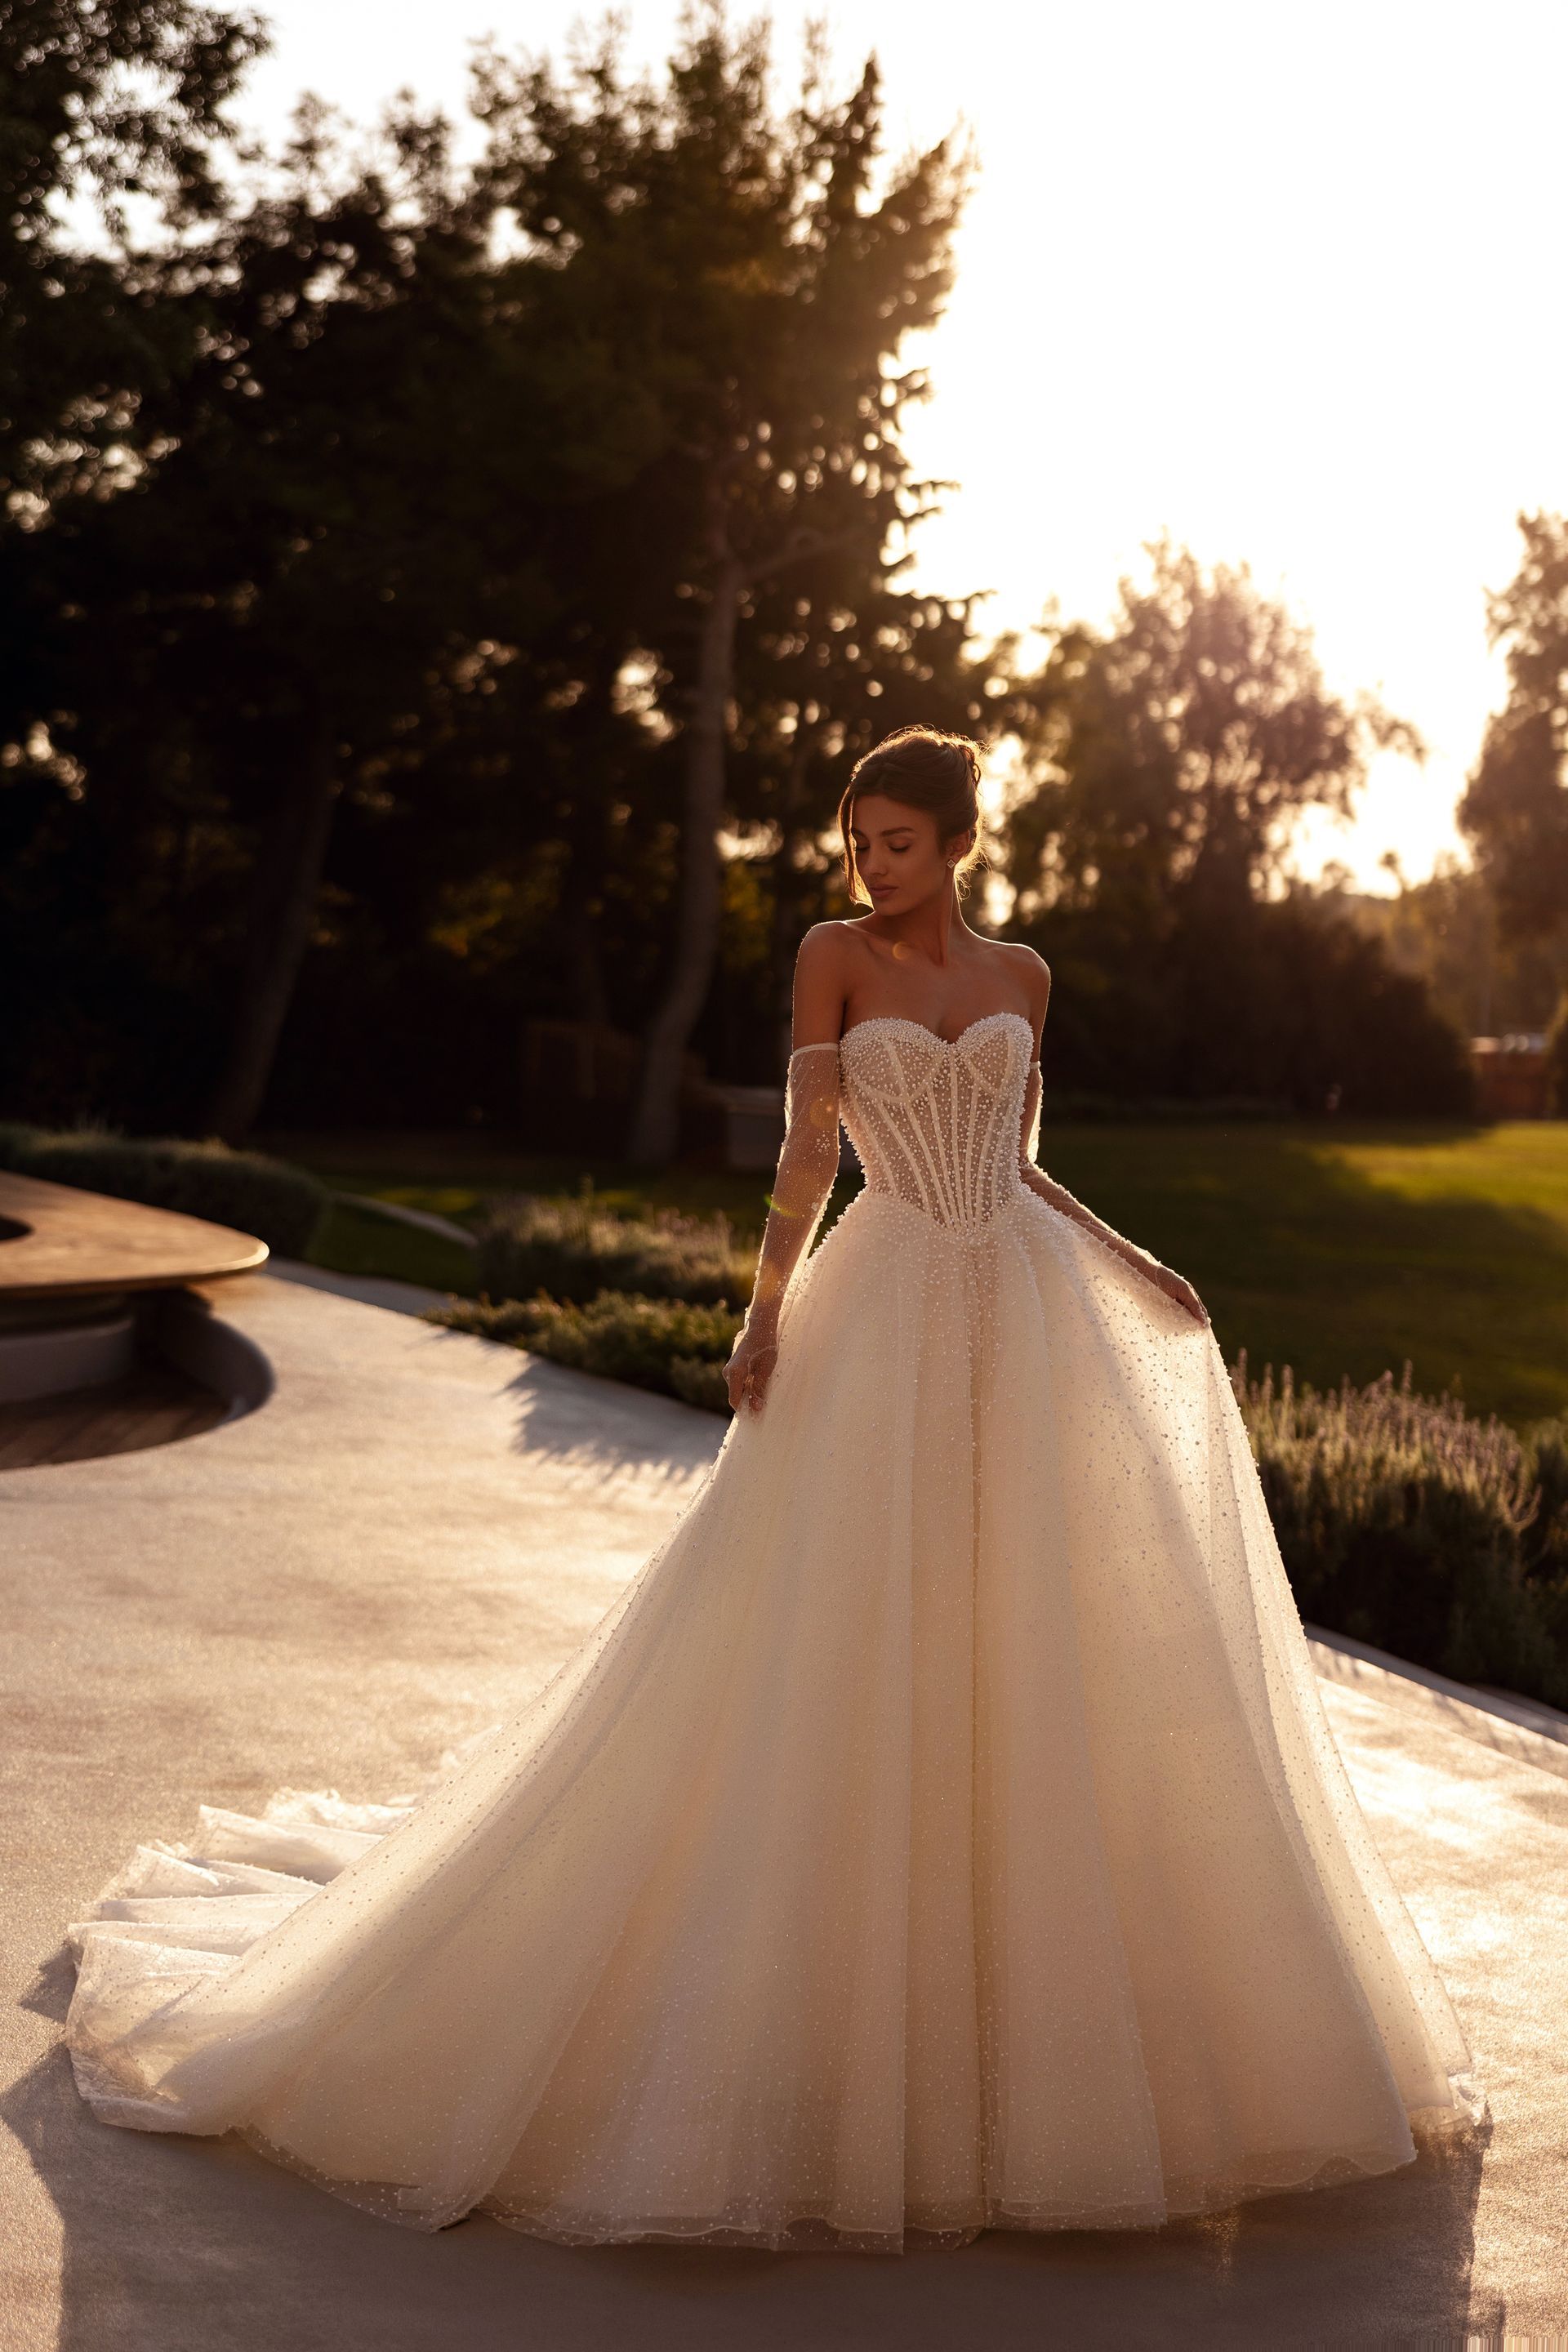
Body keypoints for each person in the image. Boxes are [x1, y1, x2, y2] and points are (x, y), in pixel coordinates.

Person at [62, 724, 1481, 2251]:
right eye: (859, 841)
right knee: (842, 1635)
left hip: (1023, 1306)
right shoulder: (830, 955)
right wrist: (761, 1307)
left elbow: (1017, 1160)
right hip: (879, 1320)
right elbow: (811, 1153)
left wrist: (1132, 1262)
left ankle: (1026, 2010)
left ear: (960, 842)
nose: (874, 867)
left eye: (900, 843)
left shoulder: (1025, 979)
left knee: (1025, 1636)